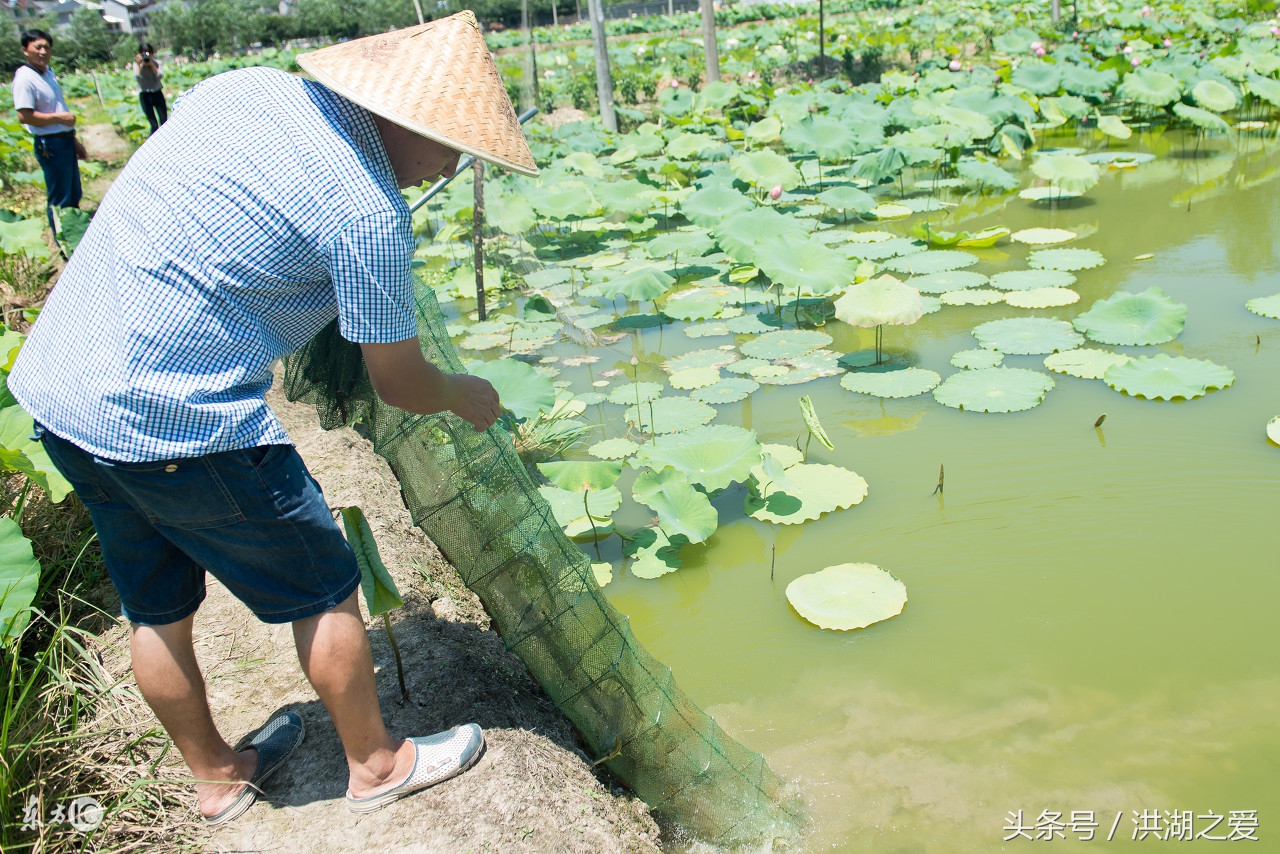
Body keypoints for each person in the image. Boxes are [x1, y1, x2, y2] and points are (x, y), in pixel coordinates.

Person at [9, 12, 539, 826]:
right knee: (323, 588)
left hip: (62, 393)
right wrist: (461, 391)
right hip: (178, 417)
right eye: (456, 144)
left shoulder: (245, 91)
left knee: (156, 609)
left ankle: (218, 778)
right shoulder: (366, 213)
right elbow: (398, 382)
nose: (456, 162)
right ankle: (376, 764)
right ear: (408, 121)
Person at [12, 29, 86, 231]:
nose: (43, 51)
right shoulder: (24, 78)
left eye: (47, 47)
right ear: (25, 50)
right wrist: (60, 118)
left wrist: (74, 141)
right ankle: (64, 242)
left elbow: (57, 106)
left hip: (64, 139)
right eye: (38, 47)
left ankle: (73, 232)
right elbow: (24, 116)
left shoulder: (48, 73)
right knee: (60, 196)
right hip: (50, 144)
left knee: (73, 192)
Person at [134, 42, 167, 134]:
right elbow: (137, 77)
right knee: (154, 125)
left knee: (164, 122)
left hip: (157, 93)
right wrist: (139, 65)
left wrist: (151, 64)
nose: (146, 56)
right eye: (143, 53)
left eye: (148, 53)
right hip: (145, 95)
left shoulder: (156, 63)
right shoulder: (137, 65)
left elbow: (160, 76)